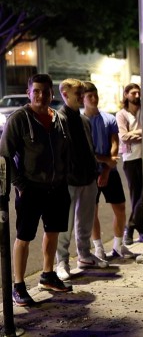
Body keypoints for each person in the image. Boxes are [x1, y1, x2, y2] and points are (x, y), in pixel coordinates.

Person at [0, 74, 73, 306]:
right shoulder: (19, 119)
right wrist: (20, 185)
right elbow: (4, 155)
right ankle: (18, 286)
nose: (41, 96)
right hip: (31, 189)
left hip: (57, 188)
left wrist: (64, 177)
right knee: (24, 237)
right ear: (29, 92)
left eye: (46, 91)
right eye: (37, 91)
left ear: (52, 93)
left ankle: (48, 275)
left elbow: (66, 151)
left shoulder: (59, 118)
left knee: (53, 232)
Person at [56, 78, 108, 281]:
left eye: (81, 93)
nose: (80, 97)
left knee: (85, 220)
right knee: (64, 224)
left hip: (87, 176)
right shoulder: (58, 118)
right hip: (68, 179)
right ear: (64, 94)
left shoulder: (83, 119)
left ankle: (85, 255)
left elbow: (89, 148)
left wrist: (95, 172)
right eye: (77, 94)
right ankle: (62, 261)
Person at [82, 81, 134, 260]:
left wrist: (106, 169)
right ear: (83, 99)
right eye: (90, 96)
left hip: (109, 171)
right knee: (92, 211)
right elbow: (86, 151)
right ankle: (98, 248)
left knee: (120, 207)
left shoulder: (109, 119)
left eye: (95, 95)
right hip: (89, 173)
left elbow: (114, 143)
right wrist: (108, 161)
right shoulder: (81, 121)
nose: (94, 99)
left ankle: (118, 245)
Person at [116, 83, 143, 245]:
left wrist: (135, 134)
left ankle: (132, 226)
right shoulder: (122, 114)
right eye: (133, 93)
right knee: (136, 196)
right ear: (126, 95)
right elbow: (124, 137)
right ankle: (137, 229)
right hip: (130, 159)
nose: (137, 95)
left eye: (138, 92)